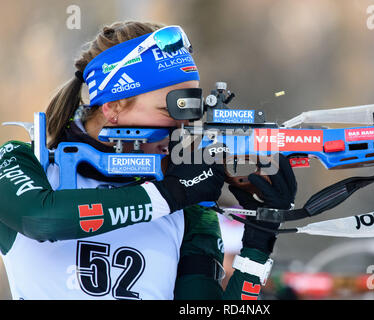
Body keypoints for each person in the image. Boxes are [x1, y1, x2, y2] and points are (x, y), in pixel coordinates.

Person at [0, 21, 297, 300]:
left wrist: (259, 242)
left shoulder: (191, 211)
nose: (184, 129)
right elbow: (40, 220)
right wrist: (171, 193)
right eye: (171, 111)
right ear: (113, 106)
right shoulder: (25, 161)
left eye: (192, 113)